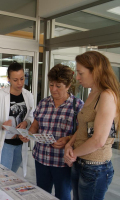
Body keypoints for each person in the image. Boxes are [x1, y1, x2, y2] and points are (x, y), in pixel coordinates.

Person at [64, 51, 120, 200]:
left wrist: (73, 153)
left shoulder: (107, 96)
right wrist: (70, 145)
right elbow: (84, 127)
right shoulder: (92, 93)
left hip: (94, 168)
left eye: (81, 73)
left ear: (95, 71)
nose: (77, 78)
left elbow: (98, 140)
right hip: (81, 163)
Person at [25, 64, 84, 200]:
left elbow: (82, 133)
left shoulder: (77, 106)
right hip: (41, 159)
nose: (53, 89)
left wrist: (68, 139)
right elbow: (35, 126)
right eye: (51, 85)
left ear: (68, 85)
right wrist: (28, 135)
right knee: (41, 194)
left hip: (63, 162)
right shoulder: (43, 103)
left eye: (58, 86)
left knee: (63, 196)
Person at [0, 62, 35, 176]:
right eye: (15, 80)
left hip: (20, 143)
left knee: (13, 174)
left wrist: (26, 122)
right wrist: (1, 125)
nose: (19, 83)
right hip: (5, 143)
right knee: (3, 175)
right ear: (8, 79)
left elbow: (32, 115)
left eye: (22, 79)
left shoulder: (28, 95)